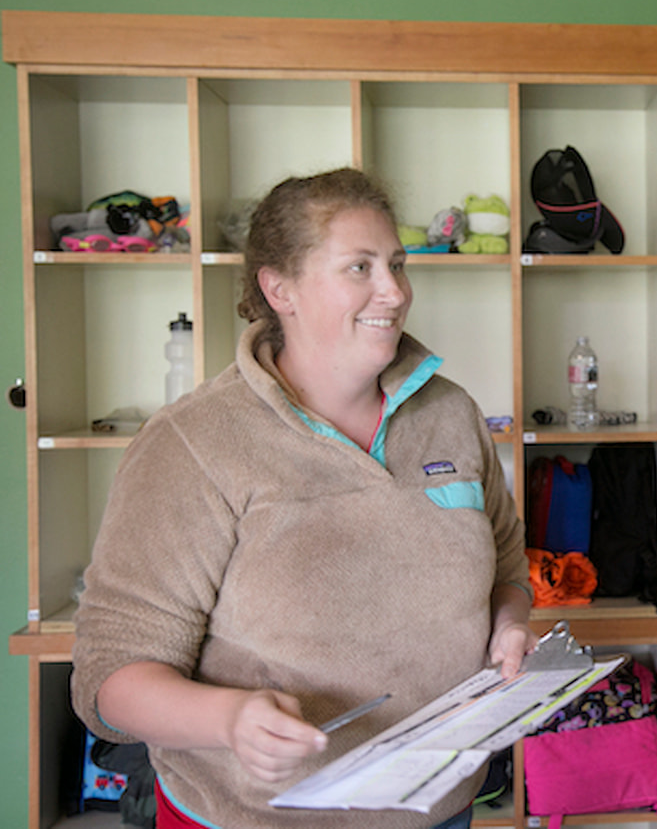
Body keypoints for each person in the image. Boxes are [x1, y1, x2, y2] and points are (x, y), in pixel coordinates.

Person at [71, 167, 536, 829]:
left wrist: (510, 626)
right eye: (360, 267)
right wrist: (228, 719)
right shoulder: (193, 442)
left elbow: (507, 567)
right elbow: (108, 677)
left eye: (398, 264)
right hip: (250, 816)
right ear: (278, 287)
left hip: (437, 805)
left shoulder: (451, 413)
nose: (395, 290)